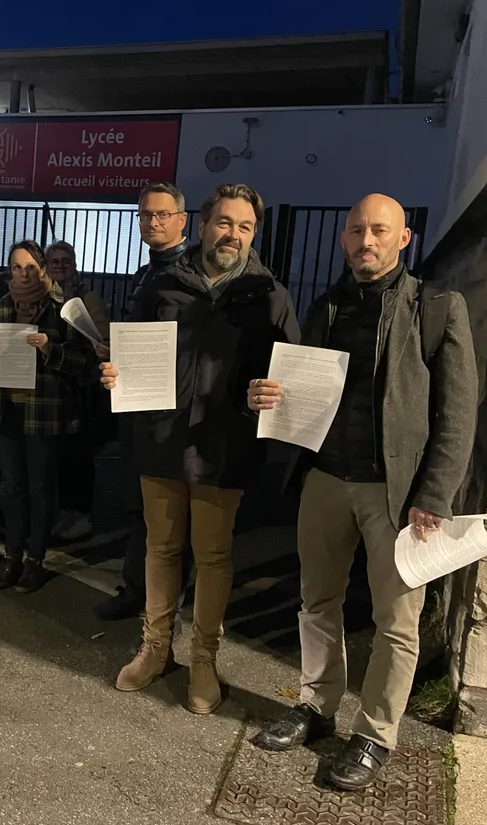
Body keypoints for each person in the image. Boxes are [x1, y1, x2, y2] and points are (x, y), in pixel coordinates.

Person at [248, 194, 476, 791]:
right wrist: (269, 399)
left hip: (397, 494)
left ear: (403, 240)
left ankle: (375, 734)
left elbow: (457, 415)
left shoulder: (438, 308)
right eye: (356, 231)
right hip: (324, 479)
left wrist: (435, 493)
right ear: (344, 240)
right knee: (316, 602)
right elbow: (304, 392)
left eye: (379, 231)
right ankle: (317, 707)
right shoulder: (328, 305)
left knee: (396, 621)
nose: (365, 241)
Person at [100, 183, 300, 715]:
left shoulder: (268, 295)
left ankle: (205, 659)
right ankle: (156, 648)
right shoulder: (161, 285)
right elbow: (131, 347)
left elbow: (291, 373)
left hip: (223, 446)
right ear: (203, 224)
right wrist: (116, 371)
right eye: (224, 222)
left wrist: (275, 390)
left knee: (213, 557)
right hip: (161, 438)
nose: (232, 234)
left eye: (244, 226)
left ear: (252, 235)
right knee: (161, 549)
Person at [95, 182, 192, 622]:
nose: (153, 222)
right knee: (139, 503)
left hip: (171, 413)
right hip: (136, 406)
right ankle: (138, 589)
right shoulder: (143, 273)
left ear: (182, 220)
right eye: (146, 215)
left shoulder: (190, 272)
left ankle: (169, 601)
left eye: (162, 215)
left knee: (172, 514)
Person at [0, 240, 92, 594]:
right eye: (15, 267)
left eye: (29, 267)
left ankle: (35, 561)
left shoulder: (64, 307)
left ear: (42, 268)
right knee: (11, 488)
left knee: (40, 489)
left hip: (44, 414)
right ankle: (11, 558)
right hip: (5, 410)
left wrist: (49, 349)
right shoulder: (3, 306)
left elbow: (83, 360)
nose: (22, 273)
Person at [45, 241, 110, 542]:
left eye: (65, 260)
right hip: (51, 389)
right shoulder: (42, 296)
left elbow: (103, 339)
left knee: (79, 456)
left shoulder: (88, 297)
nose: (59, 266)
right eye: (54, 261)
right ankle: (65, 512)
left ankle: (81, 514)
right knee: (58, 457)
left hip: (80, 389)